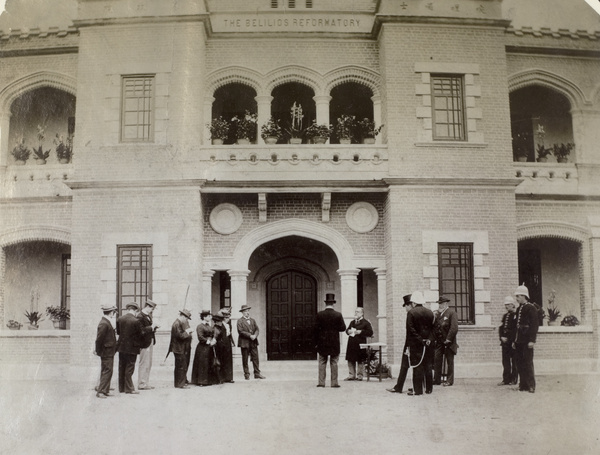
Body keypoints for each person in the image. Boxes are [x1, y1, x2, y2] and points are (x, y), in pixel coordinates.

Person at [405, 291, 434, 396]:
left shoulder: (411, 313)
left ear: (413, 303)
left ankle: (417, 390)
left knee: (417, 366)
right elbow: (434, 328)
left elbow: (410, 330)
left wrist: (419, 340)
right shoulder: (430, 312)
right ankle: (429, 389)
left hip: (416, 344)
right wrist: (428, 339)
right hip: (428, 344)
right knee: (428, 366)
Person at [314, 293, 346, 388]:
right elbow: (343, 328)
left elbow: (315, 329)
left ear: (325, 303)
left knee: (322, 362)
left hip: (322, 342)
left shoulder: (320, 314)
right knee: (334, 362)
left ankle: (321, 382)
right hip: (334, 342)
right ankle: (334, 383)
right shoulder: (338, 315)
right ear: (333, 304)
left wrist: (316, 342)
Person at [513, 284, 539, 393]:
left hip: (527, 340)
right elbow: (517, 327)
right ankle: (523, 385)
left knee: (528, 362)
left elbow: (534, 325)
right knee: (519, 362)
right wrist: (515, 340)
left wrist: (532, 340)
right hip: (519, 340)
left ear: (524, 296)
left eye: (518, 296)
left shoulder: (531, 308)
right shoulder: (519, 309)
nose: (517, 298)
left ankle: (531, 385)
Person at [387, 294, 412, 393]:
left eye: (406, 306)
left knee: (405, 366)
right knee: (405, 366)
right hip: (410, 344)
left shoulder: (411, 314)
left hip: (410, 345)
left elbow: (411, 333)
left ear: (409, 305)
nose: (405, 308)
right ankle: (399, 386)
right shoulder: (412, 314)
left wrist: (408, 347)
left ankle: (399, 387)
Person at [116, 302, 144, 394]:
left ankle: (121, 388)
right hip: (132, 348)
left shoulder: (120, 319)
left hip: (121, 347)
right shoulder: (136, 321)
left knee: (122, 366)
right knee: (130, 368)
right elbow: (140, 334)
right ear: (136, 310)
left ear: (128, 309)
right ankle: (129, 389)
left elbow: (119, 332)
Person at [432, 295, 459, 386]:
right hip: (440, 341)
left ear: (446, 304)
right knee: (437, 359)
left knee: (449, 361)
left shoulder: (451, 312)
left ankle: (449, 380)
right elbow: (435, 327)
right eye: (439, 303)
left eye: (442, 303)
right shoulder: (438, 314)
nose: (440, 305)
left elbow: (454, 328)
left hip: (448, 342)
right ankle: (437, 379)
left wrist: (448, 339)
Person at [166, 308, 193, 388]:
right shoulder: (177, 324)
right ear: (183, 316)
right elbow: (180, 336)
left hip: (180, 348)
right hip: (179, 348)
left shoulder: (178, 323)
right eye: (186, 318)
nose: (186, 320)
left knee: (181, 366)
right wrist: (188, 332)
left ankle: (180, 382)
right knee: (180, 366)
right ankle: (180, 384)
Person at [344, 307, 373, 381]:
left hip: (360, 344)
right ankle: (351, 375)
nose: (356, 313)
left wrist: (361, 332)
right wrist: (348, 331)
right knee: (350, 360)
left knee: (360, 360)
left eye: (358, 312)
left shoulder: (366, 323)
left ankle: (360, 376)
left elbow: (370, 332)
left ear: (362, 313)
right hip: (351, 344)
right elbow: (347, 330)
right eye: (355, 311)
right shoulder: (352, 322)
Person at [94, 305, 117, 398]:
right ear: (111, 312)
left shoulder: (106, 322)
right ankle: (100, 391)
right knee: (107, 370)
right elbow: (99, 339)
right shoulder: (104, 323)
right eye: (114, 312)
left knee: (107, 370)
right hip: (106, 351)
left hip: (108, 350)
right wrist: (97, 351)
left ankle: (105, 390)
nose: (114, 314)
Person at [237, 305, 265, 380]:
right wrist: (250, 335)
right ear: (242, 312)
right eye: (245, 311)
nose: (247, 312)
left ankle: (257, 373)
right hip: (244, 342)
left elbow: (257, 329)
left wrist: (255, 335)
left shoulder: (253, 320)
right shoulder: (240, 321)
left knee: (255, 358)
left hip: (253, 342)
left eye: (248, 311)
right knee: (245, 359)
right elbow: (240, 331)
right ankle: (246, 374)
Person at [137, 299, 159, 390]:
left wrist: (154, 328)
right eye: (152, 309)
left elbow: (148, 329)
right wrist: (151, 327)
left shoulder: (147, 316)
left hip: (149, 341)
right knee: (144, 363)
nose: (152, 311)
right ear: (148, 307)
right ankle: (141, 383)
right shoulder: (140, 316)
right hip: (144, 343)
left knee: (148, 363)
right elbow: (140, 331)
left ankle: (145, 382)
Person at [191, 310, 217, 386]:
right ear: (204, 317)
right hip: (202, 348)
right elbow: (200, 337)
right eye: (209, 316)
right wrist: (209, 341)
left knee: (208, 363)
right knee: (203, 364)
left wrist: (214, 340)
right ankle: (201, 381)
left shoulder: (209, 326)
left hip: (209, 347)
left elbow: (212, 334)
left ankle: (208, 381)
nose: (210, 317)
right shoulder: (200, 326)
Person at [498, 296, 518, 386]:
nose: (506, 306)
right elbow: (501, 328)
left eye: (508, 304)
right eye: (505, 305)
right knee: (505, 361)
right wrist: (501, 337)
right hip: (504, 342)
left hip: (512, 341)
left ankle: (514, 379)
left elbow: (515, 330)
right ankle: (506, 379)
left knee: (514, 361)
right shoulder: (505, 316)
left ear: (513, 305)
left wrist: (512, 340)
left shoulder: (516, 315)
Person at [216, 309, 235, 383]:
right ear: (223, 318)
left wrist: (232, 342)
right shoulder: (220, 324)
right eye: (226, 318)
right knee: (222, 360)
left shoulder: (229, 325)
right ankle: (221, 378)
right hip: (221, 343)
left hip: (227, 343)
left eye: (228, 317)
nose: (228, 319)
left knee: (228, 360)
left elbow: (230, 334)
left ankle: (229, 377)